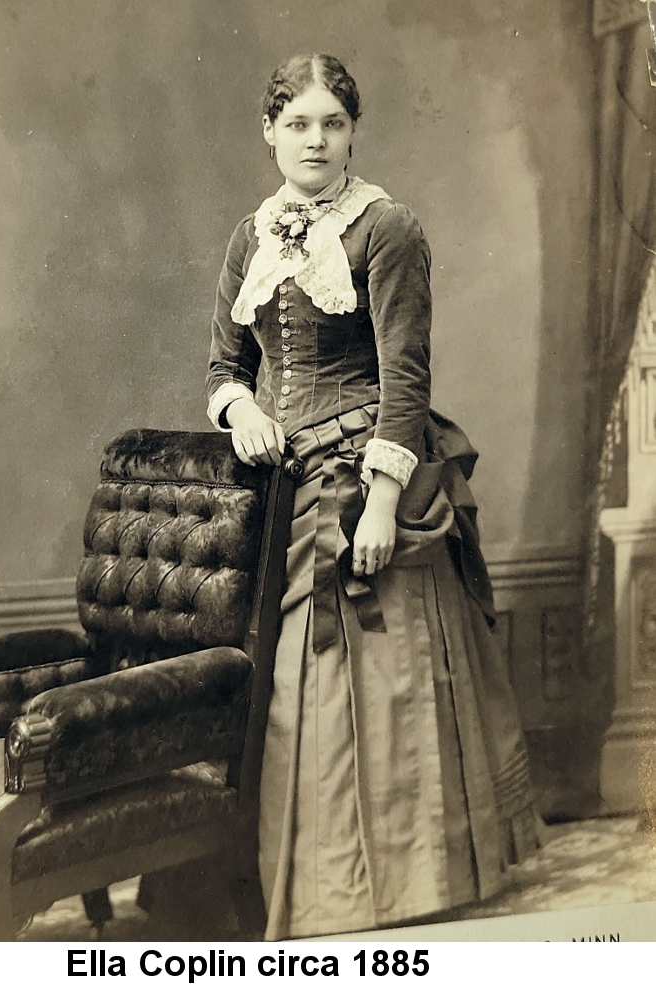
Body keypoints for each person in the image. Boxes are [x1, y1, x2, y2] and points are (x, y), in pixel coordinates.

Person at [206, 53, 542, 941]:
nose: (315, 141)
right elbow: (223, 364)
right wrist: (240, 408)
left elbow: (405, 376)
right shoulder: (251, 234)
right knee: (285, 695)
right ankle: (308, 886)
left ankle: (396, 889)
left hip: (363, 479)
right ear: (268, 131)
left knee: (379, 688)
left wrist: (386, 503)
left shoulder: (385, 227)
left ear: (353, 132)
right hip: (277, 492)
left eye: (333, 124)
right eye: (298, 124)